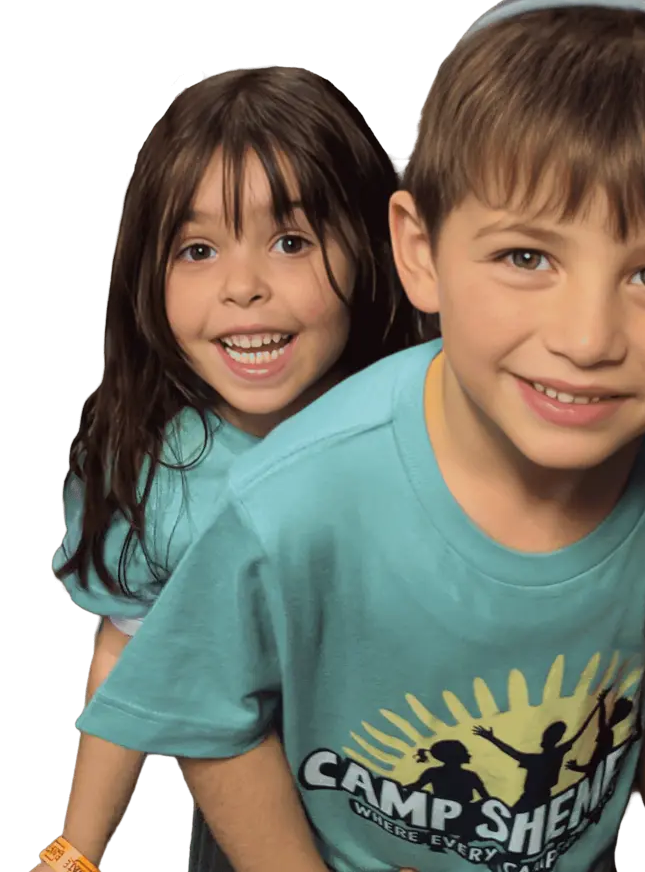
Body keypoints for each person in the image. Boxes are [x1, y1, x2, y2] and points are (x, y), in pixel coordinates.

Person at [68, 0, 645, 872]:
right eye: (527, 256)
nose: (587, 339)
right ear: (421, 254)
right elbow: (212, 715)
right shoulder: (291, 499)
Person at [39, 63, 425, 872]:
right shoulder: (159, 475)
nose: (243, 287)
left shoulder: (437, 426)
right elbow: (127, 662)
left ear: (373, 246)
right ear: (148, 270)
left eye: (291, 241)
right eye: (198, 248)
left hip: (451, 804)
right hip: (255, 825)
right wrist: (78, 845)